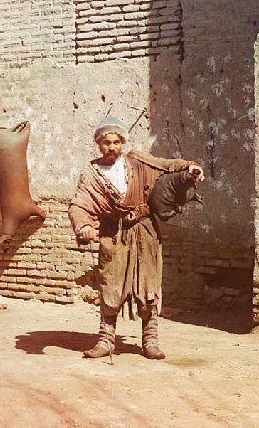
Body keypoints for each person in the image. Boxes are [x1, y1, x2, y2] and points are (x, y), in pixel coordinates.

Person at [68, 117, 204, 360]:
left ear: (122, 142)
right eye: (106, 143)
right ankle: (106, 340)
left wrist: (190, 168)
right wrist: (84, 225)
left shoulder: (137, 161)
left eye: (116, 142)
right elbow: (79, 204)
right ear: (98, 144)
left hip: (145, 231)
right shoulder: (91, 174)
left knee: (148, 285)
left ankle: (150, 340)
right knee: (110, 284)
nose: (112, 147)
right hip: (113, 234)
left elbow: (168, 166)